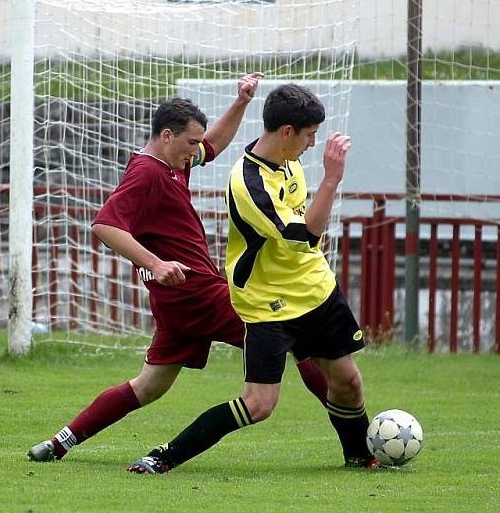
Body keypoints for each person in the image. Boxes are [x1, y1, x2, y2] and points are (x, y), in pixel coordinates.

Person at [28, 73, 331, 463]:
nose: (196, 152)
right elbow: (104, 224)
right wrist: (155, 262)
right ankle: (357, 431)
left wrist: (241, 102)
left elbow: (215, 145)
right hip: (196, 294)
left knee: (148, 386)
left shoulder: (173, 162)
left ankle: (60, 442)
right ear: (167, 136)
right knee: (296, 332)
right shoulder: (147, 172)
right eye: (190, 143)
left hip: (178, 299)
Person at [127, 83, 380, 474]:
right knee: (258, 404)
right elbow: (306, 236)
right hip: (268, 304)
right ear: (286, 132)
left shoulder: (290, 163)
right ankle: (165, 455)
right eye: (309, 135)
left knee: (348, 382)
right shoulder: (247, 184)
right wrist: (331, 181)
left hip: (316, 291)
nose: (313, 143)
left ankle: (363, 458)